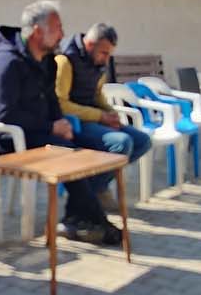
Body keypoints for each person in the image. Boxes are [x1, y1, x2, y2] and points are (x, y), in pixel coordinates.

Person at [0, 0, 117, 244]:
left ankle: (76, 219)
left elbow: (52, 100)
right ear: (37, 32)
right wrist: (51, 127)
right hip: (11, 139)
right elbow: (5, 115)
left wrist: (61, 123)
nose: (63, 35)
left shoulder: (46, 61)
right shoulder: (6, 62)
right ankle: (96, 221)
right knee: (71, 155)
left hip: (40, 133)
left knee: (94, 148)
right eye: (57, 29)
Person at [53, 21, 151, 200]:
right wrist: (100, 116)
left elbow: (97, 95)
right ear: (90, 45)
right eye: (104, 53)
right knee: (122, 143)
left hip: (94, 119)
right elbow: (61, 104)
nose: (107, 59)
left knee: (142, 141)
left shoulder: (98, 62)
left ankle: (94, 189)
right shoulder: (65, 61)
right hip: (73, 123)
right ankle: (88, 197)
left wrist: (111, 113)